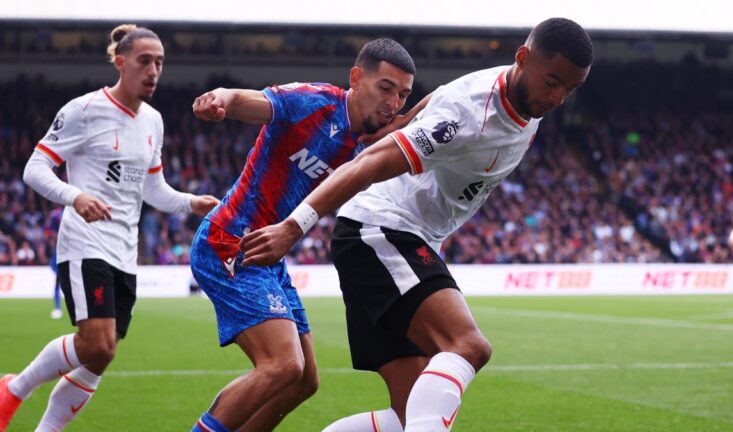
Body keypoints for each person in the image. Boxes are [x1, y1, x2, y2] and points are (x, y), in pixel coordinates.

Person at [239, 18, 593, 431]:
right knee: (468, 345)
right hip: (382, 231)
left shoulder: (521, 97)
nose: (558, 97)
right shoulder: (468, 112)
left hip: (396, 236)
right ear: (522, 59)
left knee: (408, 417)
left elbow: (436, 100)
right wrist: (293, 227)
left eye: (569, 89)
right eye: (552, 82)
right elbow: (368, 164)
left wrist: (403, 121)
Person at [188, 39, 423, 432]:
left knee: (303, 381)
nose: (394, 102)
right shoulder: (313, 103)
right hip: (229, 242)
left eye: (402, 94)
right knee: (283, 365)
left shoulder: (372, 140)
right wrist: (221, 99)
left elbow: (427, 115)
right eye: (385, 88)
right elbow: (251, 101)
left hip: (269, 259)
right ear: (356, 78)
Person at [0, 24, 218, 432]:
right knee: (97, 343)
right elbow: (34, 168)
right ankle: (15, 389)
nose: (154, 71)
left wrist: (191, 203)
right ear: (120, 62)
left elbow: (153, 189)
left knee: (101, 355)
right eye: (144, 61)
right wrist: (75, 196)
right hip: (85, 243)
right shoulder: (83, 110)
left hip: (124, 251)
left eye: (160, 63)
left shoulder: (153, 121)